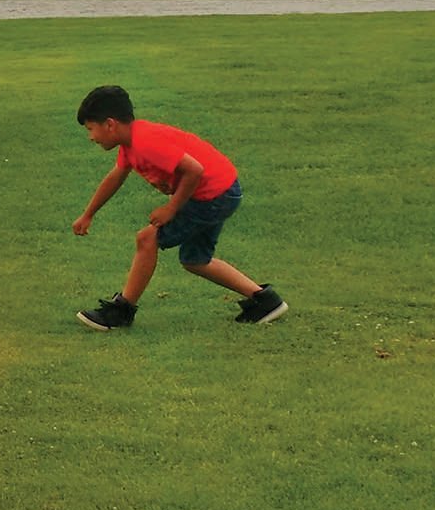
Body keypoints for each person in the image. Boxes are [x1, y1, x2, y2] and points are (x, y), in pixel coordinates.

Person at [70, 84, 284, 330]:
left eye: (91, 129)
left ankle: (121, 311)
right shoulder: (131, 143)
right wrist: (88, 214)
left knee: (147, 238)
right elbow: (116, 176)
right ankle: (265, 300)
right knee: (195, 259)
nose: (91, 137)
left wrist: (171, 208)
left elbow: (194, 170)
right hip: (222, 190)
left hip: (213, 195)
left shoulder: (145, 142)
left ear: (110, 124)